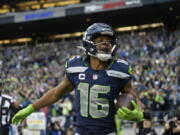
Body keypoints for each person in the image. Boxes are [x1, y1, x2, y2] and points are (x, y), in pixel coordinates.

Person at [12, 23, 144, 135]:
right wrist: (31, 108)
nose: (106, 45)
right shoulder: (76, 66)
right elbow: (56, 94)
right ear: (89, 42)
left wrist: (138, 111)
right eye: (100, 41)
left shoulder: (120, 68)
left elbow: (131, 93)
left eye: (109, 41)